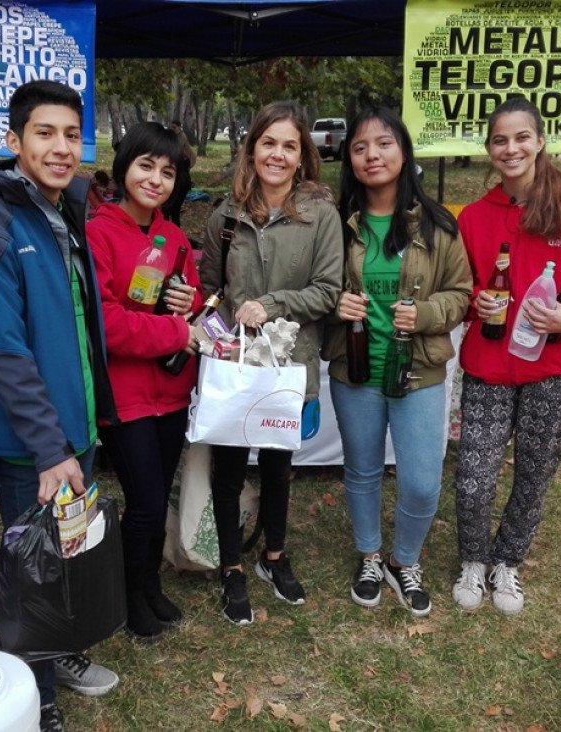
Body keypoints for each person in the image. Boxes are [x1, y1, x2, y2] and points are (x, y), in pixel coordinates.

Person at [0, 80, 120, 732]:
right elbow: (4, 353)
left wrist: (82, 428)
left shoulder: (61, 209)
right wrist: (49, 449)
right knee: (32, 571)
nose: (61, 147)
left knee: (63, 557)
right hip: (28, 445)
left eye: (72, 134)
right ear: (14, 141)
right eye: (45, 133)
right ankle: (34, 701)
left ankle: (59, 657)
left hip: (72, 429)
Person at [452, 97, 561, 616]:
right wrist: (473, 302)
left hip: (556, 370)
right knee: (475, 478)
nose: (511, 148)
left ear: (540, 141)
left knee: (535, 475)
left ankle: (507, 564)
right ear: (489, 150)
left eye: (522, 137)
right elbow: (461, 290)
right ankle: (474, 560)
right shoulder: (474, 218)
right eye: (500, 140)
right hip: (489, 367)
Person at [199, 100, 343, 625]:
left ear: (302, 154)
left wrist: (273, 304)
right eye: (268, 143)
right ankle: (232, 568)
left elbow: (328, 290)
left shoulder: (320, 214)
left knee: (281, 466)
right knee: (230, 469)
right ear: (252, 148)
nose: (277, 155)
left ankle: (274, 558)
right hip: (237, 364)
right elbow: (211, 290)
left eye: (289, 145)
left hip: (290, 363)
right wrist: (210, 322)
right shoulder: (225, 215)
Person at [323, 107, 472, 615]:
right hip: (355, 369)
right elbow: (315, 287)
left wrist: (428, 312)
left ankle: (404, 560)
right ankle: (370, 556)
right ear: (350, 159)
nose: (372, 155)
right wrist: (334, 304)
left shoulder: (437, 225)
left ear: (403, 152)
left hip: (419, 370)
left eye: (384, 143)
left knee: (423, 482)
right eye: (360, 147)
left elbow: (462, 294)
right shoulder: (335, 223)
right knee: (362, 471)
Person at [87, 121, 203, 642]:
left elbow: (195, 305)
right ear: (124, 168)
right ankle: (129, 595)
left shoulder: (174, 236)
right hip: (126, 395)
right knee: (146, 502)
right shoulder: (97, 232)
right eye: (145, 165)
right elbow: (106, 323)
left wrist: (188, 304)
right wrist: (174, 330)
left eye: (167, 171)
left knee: (156, 498)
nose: (156, 179)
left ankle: (150, 583)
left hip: (172, 392)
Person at [161, 120, 196, 226]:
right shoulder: (175, 140)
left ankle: (170, 232)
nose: (172, 129)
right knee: (171, 211)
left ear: (179, 127)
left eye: (174, 127)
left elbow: (191, 158)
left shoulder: (181, 138)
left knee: (170, 210)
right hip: (181, 179)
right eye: (171, 127)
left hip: (181, 181)